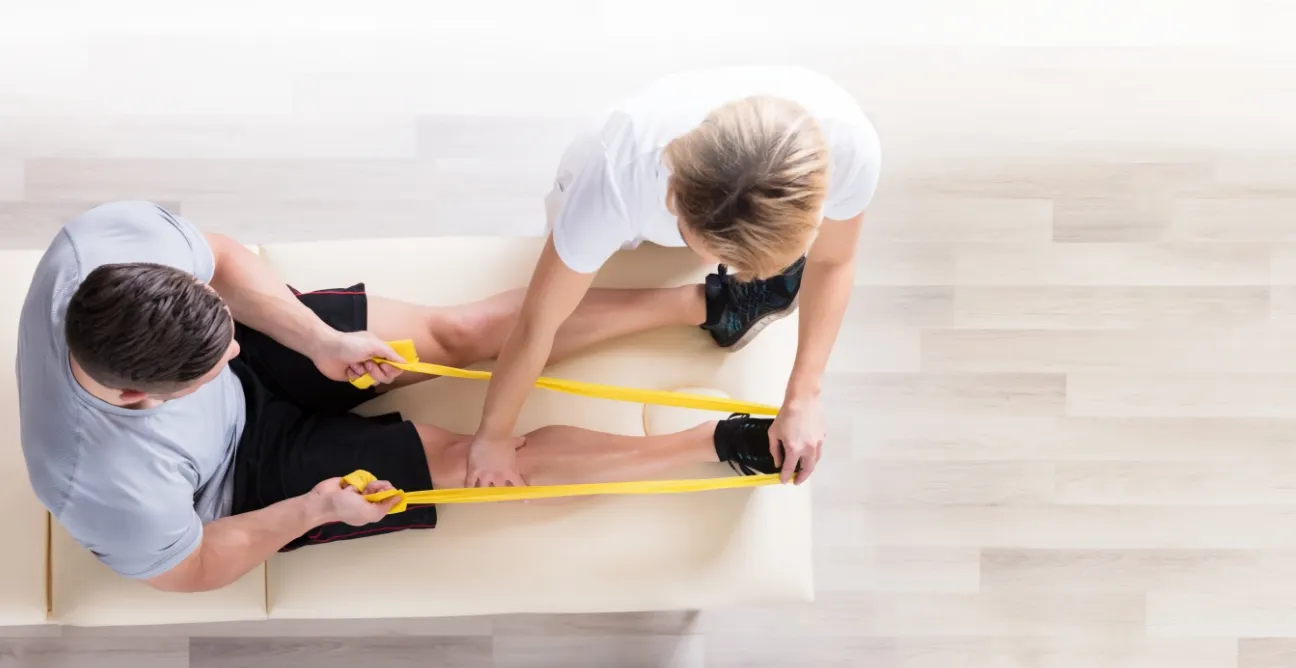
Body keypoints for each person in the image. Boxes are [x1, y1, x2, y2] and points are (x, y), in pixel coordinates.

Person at [16, 202, 781, 593]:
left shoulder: (108, 247)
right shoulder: (101, 484)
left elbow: (216, 258)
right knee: (480, 465)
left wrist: (316, 339)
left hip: (261, 357)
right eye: (215, 364)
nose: (237, 355)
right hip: (239, 477)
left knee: (458, 333)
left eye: (228, 340)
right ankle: (719, 444)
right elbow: (191, 567)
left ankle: (711, 304)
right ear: (133, 395)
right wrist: (315, 511)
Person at [470, 65, 881, 489]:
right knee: (531, 309)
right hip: (619, 190)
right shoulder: (611, 184)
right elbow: (539, 321)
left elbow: (833, 261)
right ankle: (716, 302)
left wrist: (804, 394)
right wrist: (492, 434)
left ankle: (718, 303)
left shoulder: (849, 148)